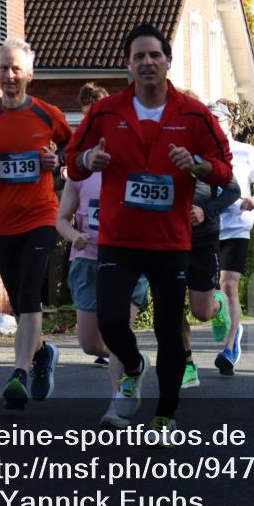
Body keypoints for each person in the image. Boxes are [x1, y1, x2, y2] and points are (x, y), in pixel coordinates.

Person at [65, 23, 232, 436]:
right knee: (109, 321)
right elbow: (71, 159)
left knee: (169, 329)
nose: (147, 62)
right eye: (138, 56)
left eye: (154, 55)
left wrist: (195, 163)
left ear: (168, 61)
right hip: (119, 238)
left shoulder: (195, 115)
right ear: (128, 65)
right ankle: (135, 365)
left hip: (169, 239)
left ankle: (166, 413)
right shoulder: (105, 112)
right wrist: (90, 160)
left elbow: (225, 171)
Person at [0, 38, 73, 409]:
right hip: (2, 225)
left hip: (41, 216)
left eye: (15, 68)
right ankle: (43, 354)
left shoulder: (48, 114)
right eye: (3, 68)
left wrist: (56, 163)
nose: (9, 75)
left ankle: (21, 374)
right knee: (20, 302)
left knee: (29, 296)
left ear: (29, 73)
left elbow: (71, 150)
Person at [56, 83, 146, 426]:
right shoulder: (80, 173)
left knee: (118, 327)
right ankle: (133, 361)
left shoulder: (132, 165)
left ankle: (116, 404)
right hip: (87, 261)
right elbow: (60, 220)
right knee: (90, 343)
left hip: (127, 260)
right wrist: (74, 235)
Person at [215, 102, 254, 376]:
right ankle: (233, 323)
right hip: (205, 228)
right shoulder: (198, 152)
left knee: (228, 284)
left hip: (237, 226)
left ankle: (229, 348)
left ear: (229, 123)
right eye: (208, 119)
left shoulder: (244, 152)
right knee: (206, 293)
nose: (212, 122)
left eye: (217, 118)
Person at [182, 174, 240, 387]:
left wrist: (205, 211)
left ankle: (219, 303)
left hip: (203, 240)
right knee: (171, 305)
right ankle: (187, 364)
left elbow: (234, 190)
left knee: (202, 313)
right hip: (169, 239)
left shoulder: (208, 148)